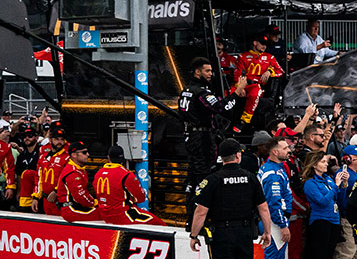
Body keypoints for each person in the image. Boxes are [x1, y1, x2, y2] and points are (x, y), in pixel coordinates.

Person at [179, 57, 247, 215]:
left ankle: (192, 215)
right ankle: (201, 215)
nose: (211, 74)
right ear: (197, 72)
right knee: (203, 177)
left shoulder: (186, 90)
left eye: (211, 70)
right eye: (207, 71)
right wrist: (236, 92)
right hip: (201, 137)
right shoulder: (200, 91)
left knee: (194, 176)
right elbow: (221, 108)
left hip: (191, 135)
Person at [302, 152, 349, 259]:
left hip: (333, 220)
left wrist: (343, 184)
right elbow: (322, 201)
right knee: (319, 258)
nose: (326, 164)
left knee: (328, 257)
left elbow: (337, 198)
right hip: (320, 221)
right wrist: (335, 186)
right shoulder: (310, 183)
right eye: (322, 162)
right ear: (315, 164)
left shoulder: (327, 179)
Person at [258, 137, 294, 259]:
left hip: (273, 222)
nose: (289, 149)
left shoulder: (276, 168)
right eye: (285, 147)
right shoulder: (272, 172)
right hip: (273, 224)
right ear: (274, 151)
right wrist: (282, 225)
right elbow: (273, 203)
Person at [92, 146, 164, 225]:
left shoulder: (98, 173)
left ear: (108, 157)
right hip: (122, 215)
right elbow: (141, 198)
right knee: (158, 223)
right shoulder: (126, 174)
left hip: (103, 214)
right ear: (123, 158)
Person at [235, 34, 284, 126]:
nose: (264, 46)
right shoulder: (243, 56)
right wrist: (239, 87)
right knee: (227, 94)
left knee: (254, 94)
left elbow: (281, 71)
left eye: (266, 44)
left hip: (256, 86)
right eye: (262, 44)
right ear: (255, 43)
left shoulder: (270, 57)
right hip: (242, 84)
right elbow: (237, 73)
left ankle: (244, 121)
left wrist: (270, 71)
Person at [32, 124, 70, 216]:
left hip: (61, 201)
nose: (59, 142)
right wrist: (36, 198)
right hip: (46, 200)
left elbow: (68, 178)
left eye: (62, 139)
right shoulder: (43, 157)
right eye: (56, 139)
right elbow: (39, 179)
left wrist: (56, 191)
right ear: (50, 140)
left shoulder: (68, 157)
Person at [57, 144, 98, 223]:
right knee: (104, 214)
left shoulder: (80, 169)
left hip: (77, 206)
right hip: (70, 209)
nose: (88, 155)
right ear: (74, 155)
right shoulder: (72, 172)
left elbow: (84, 193)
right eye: (84, 152)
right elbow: (80, 196)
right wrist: (95, 203)